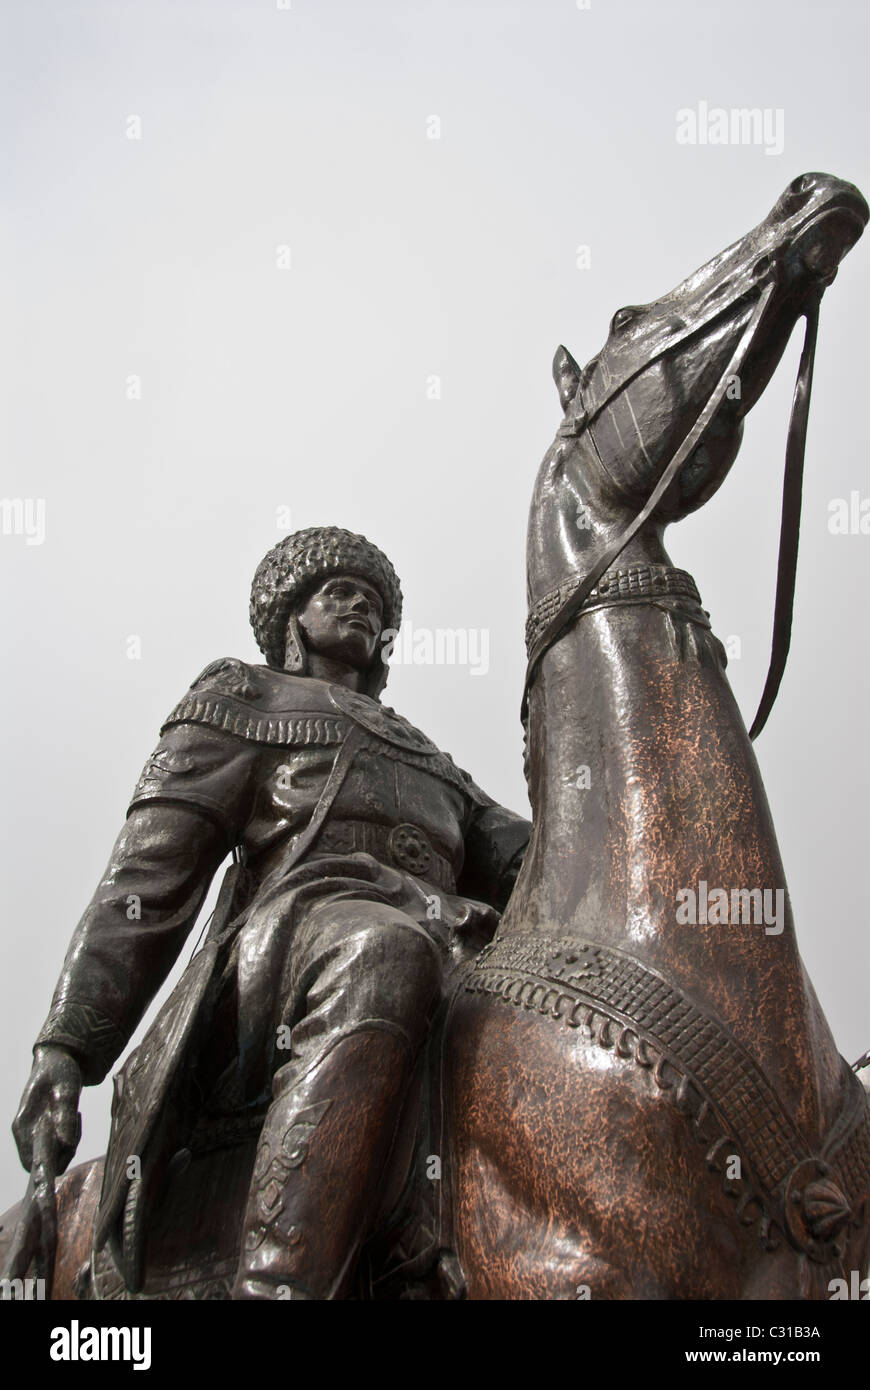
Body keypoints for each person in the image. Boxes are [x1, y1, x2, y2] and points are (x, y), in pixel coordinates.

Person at [12, 527, 531, 1300]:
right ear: (293, 615)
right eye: (337, 592)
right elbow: (145, 882)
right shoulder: (240, 699)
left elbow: (526, 858)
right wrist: (66, 1047)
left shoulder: (432, 759)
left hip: (439, 943)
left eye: (374, 601)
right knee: (383, 951)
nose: (359, 606)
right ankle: (277, 1283)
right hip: (285, 963)